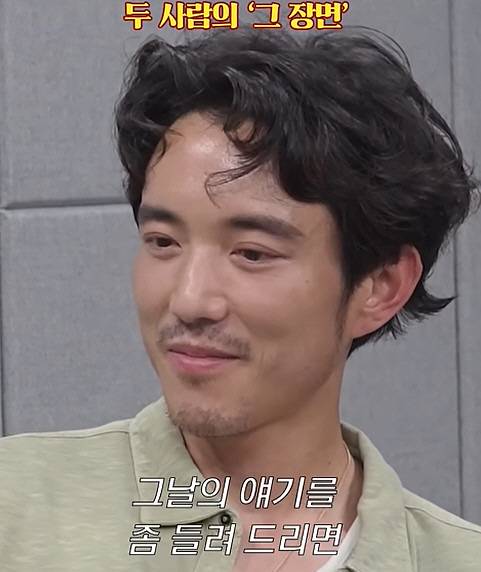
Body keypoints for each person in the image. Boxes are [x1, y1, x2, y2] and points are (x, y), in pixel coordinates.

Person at [0, 24, 480, 572]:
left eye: (252, 253)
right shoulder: (15, 509)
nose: (190, 300)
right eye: (163, 242)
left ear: (381, 285)